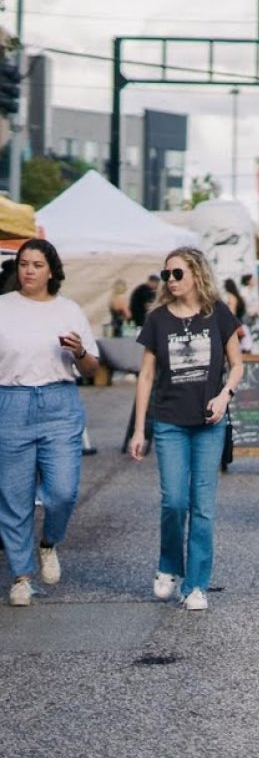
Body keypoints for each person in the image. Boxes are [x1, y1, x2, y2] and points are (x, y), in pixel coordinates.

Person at [128, 248, 242, 611]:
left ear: (196, 274)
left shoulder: (218, 315)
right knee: (174, 501)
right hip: (169, 422)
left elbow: (236, 365)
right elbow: (146, 375)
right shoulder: (158, 320)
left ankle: (196, 585)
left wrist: (225, 395)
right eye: (166, 275)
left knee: (203, 506)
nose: (171, 281)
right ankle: (168, 566)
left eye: (177, 273)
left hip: (209, 423)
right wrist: (138, 430)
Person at [0, 239, 100, 607]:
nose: (28, 270)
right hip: (11, 402)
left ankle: (48, 542)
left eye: (37, 265)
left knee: (62, 492)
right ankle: (21, 577)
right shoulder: (3, 308)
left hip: (59, 403)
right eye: (23, 264)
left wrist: (79, 352)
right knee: (14, 498)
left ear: (51, 271)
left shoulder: (68, 310)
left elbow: (92, 368)